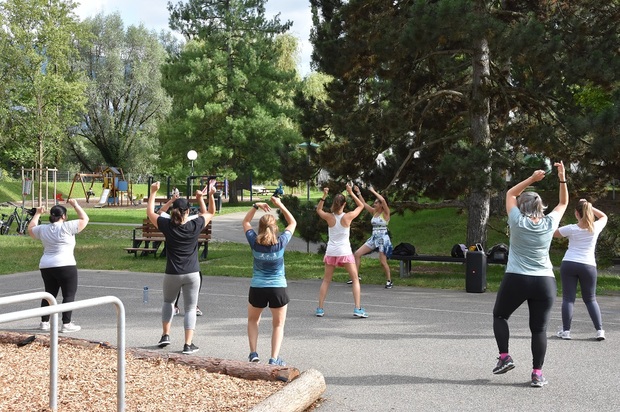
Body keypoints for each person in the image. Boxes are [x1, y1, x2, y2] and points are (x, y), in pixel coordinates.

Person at [492, 162, 568, 388]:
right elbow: (564, 202)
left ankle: (504, 357)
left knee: (500, 316)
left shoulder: (516, 220)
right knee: (539, 329)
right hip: (545, 281)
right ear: (541, 206)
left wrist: (532, 179)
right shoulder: (549, 222)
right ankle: (537, 373)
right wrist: (562, 177)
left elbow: (510, 193)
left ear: (520, 206)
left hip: (517, 277)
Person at [147, 180, 216, 355]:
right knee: (191, 308)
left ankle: (165, 335)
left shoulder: (167, 225)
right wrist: (207, 197)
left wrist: (153, 192)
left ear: (173, 210)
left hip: (172, 273)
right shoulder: (195, 225)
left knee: (168, 302)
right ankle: (187, 344)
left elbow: (150, 213)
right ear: (188, 211)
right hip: (192, 273)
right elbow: (210, 212)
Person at [242, 195, 296, 366]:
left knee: (252, 320)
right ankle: (274, 358)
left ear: (260, 228)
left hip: (257, 287)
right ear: (275, 228)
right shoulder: (280, 243)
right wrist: (280, 205)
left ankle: (253, 354)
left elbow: (245, 222)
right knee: (278, 325)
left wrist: (255, 206)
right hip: (278, 288)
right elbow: (292, 223)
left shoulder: (254, 242)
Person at [28, 199, 89, 333]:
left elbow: (30, 229)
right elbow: (84, 218)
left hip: (46, 265)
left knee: (49, 294)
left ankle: (44, 322)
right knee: (68, 295)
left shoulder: (43, 228)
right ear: (63, 216)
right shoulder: (68, 226)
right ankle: (66, 324)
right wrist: (75, 205)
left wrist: (37, 214)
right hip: (66, 264)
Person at [554, 199, 608, 341]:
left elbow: (554, 233)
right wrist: (589, 206)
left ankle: (566, 331)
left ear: (576, 214)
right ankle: (599, 330)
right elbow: (604, 216)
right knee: (590, 299)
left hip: (569, 263)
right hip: (588, 265)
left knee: (568, 299)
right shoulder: (595, 227)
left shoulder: (571, 228)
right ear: (589, 213)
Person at [316, 183, 368, 318]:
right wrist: (351, 193)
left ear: (334, 204)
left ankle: (320, 308)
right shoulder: (348, 217)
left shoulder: (329, 217)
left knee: (326, 280)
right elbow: (361, 206)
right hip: (344, 252)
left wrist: (324, 196)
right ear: (344, 204)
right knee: (355, 279)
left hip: (331, 252)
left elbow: (319, 210)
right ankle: (357, 308)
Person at [158, 194, 203, 317]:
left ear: (173, 210)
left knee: (173, 287)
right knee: (193, 280)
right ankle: (191, 306)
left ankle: (174, 309)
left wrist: (171, 200)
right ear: (187, 210)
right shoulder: (193, 222)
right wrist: (201, 198)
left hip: (174, 269)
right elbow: (206, 213)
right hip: (191, 268)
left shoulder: (168, 222)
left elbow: (160, 211)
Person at [353, 185, 394, 288]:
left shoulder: (386, 214)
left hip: (383, 239)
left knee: (382, 262)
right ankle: (356, 277)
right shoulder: (374, 212)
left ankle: (389, 280)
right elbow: (363, 204)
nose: (374, 204)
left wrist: (373, 191)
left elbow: (383, 200)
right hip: (374, 237)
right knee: (357, 254)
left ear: (381, 205)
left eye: (376, 202)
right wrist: (358, 193)